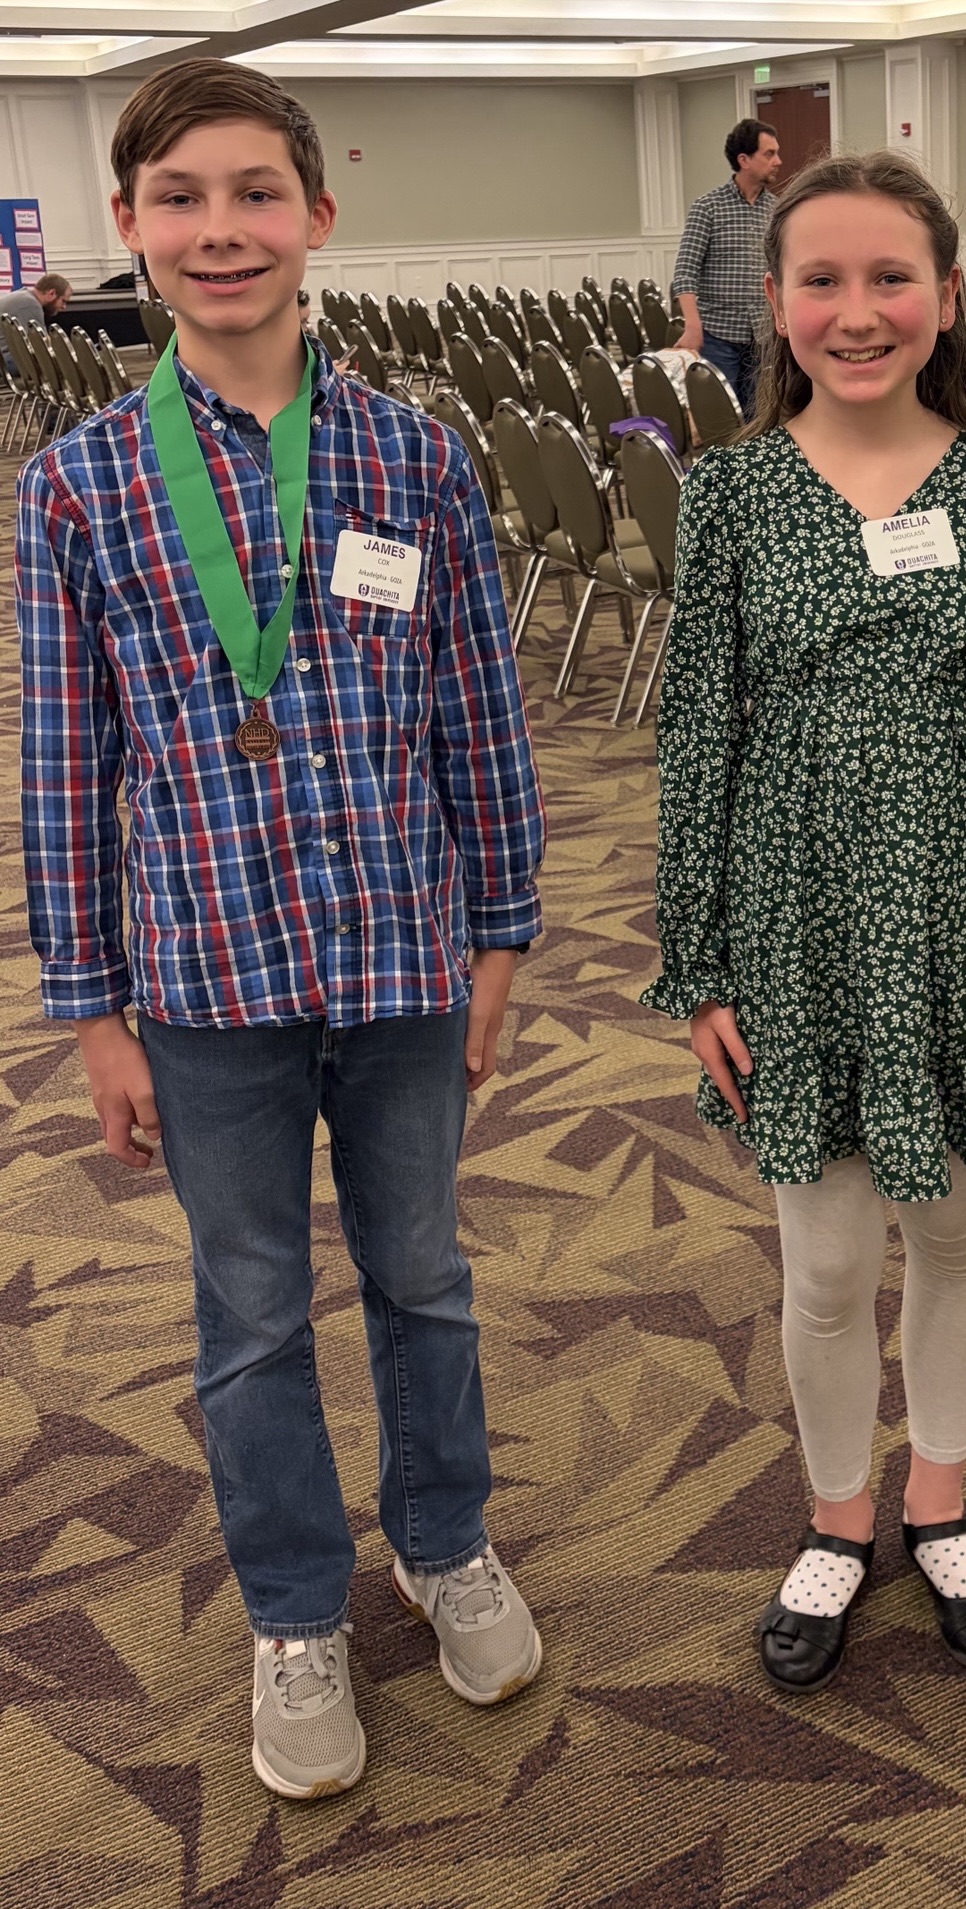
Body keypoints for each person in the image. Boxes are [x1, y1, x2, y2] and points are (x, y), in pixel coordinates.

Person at [17, 58, 548, 1802]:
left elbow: (477, 713)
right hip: (207, 974)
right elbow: (65, 761)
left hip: (400, 958)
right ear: (130, 225)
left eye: (255, 193)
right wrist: (92, 1009)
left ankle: (445, 1541)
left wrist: (501, 934)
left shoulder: (413, 453)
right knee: (248, 1308)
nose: (220, 229)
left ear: (317, 214)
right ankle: (295, 1610)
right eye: (180, 199)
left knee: (425, 1280)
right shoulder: (83, 484)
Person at [644, 150, 966, 1694]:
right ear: (773, 302)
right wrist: (697, 961)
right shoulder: (728, 492)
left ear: (947, 296)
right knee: (829, 1257)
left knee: (958, 1232)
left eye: (890, 278)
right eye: (822, 281)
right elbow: (696, 731)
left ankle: (939, 1502)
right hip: (793, 909)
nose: (857, 312)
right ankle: (839, 1516)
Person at [672, 118, 782, 415]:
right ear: (744, 160)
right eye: (769, 154)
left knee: (758, 415)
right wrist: (692, 325)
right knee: (719, 417)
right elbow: (684, 272)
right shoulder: (708, 207)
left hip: (762, 336)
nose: (778, 161)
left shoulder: (777, 210)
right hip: (717, 336)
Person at [0, 271, 72, 327]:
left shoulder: (23, 296)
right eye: (63, 301)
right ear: (51, 293)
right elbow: (40, 341)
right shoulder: (31, 304)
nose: (64, 307)